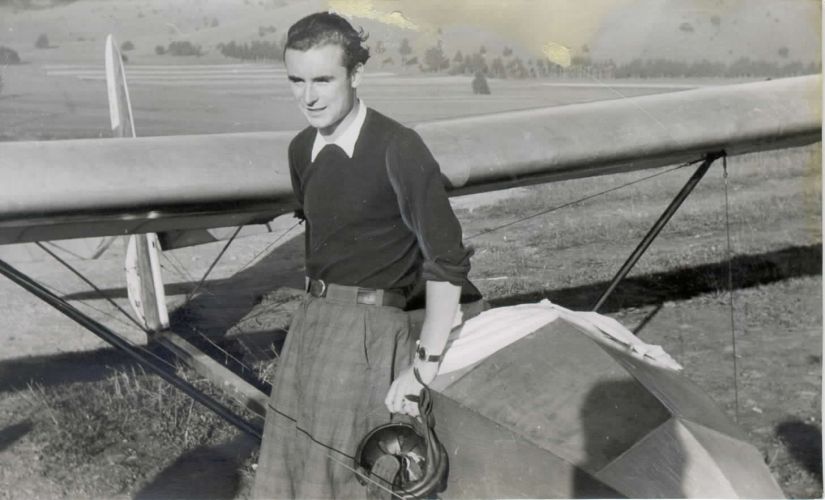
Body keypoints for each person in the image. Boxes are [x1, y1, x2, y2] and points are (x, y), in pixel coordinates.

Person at [253, 12, 482, 499]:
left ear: (356, 74)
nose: (308, 97)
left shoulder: (398, 147)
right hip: (310, 326)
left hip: (371, 333)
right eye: (296, 81)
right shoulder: (300, 149)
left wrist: (422, 367)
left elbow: (446, 261)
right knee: (291, 477)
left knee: (352, 483)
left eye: (323, 80)